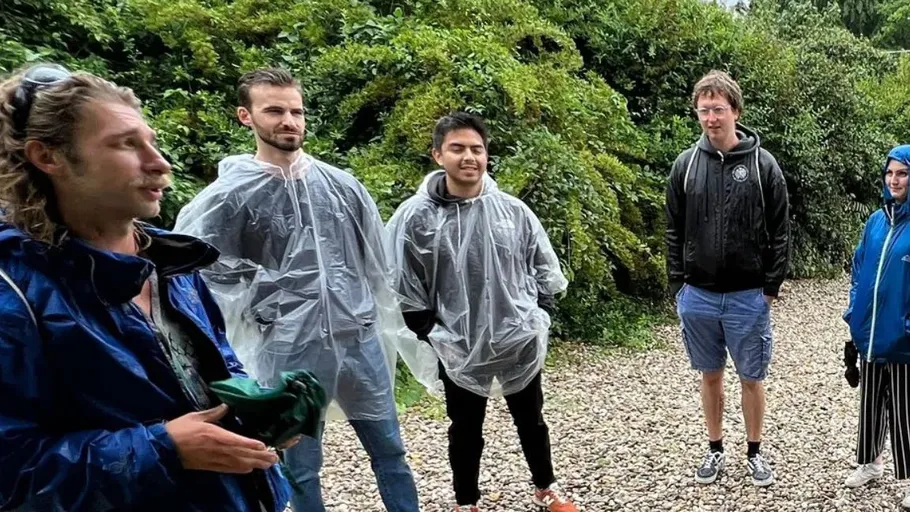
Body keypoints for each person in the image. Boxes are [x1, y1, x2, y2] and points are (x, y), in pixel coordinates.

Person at [0, 63, 292, 510]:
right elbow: (13, 473)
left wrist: (254, 413)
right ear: (49, 157)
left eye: (151, 142)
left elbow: (213, 373)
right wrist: (162, 448)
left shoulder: (173, 263)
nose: (160, 163)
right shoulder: (16, 293)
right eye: (126, 144)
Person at [173, 67, 426, 512]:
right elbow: (201, 269)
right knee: (300, 465)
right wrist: (266, 297)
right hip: (288, 347)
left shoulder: (342, 186)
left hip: (358, 338)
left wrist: (375, 316)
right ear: (245, 116)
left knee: (390, 451)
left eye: (296, 111)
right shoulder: (228, 195)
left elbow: (376, 262)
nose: (288, 121)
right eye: (274, 110)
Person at [386, 111, 577, 512]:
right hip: (456, 345)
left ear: (487, 154)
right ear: (438, 154)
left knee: (532, 421)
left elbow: (544, 266)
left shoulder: (512, 211)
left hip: (517, 340)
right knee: (466, 429)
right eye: (457, 148)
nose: (468, 157)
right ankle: (466, 502)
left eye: (477, 148)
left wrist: (538, 314)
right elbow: (401, 280)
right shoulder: (416, 218)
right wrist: (429, 331)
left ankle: (546, 487)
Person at [665, 70, 790, 487]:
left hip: (747, 295)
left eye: (718, 109)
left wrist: (770, 288)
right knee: (710, 374)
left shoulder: (762, 164)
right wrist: (677, 283)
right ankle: (715, 448)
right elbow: (672, 227)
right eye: (703, 110)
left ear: (735, 110)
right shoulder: (685, 166)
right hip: (697, 294)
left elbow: (780, 230)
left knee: (752, 377)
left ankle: (754, 452)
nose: (711, 118)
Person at [842, 145, 910, 508]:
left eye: (902, 173)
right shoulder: (875, 221)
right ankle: (870, 463)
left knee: (904, 410)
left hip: (903, 339)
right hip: (869, 334)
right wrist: (854, 315)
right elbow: (858, 270)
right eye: (890, 173)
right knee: (870, 403)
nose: (894, 180)